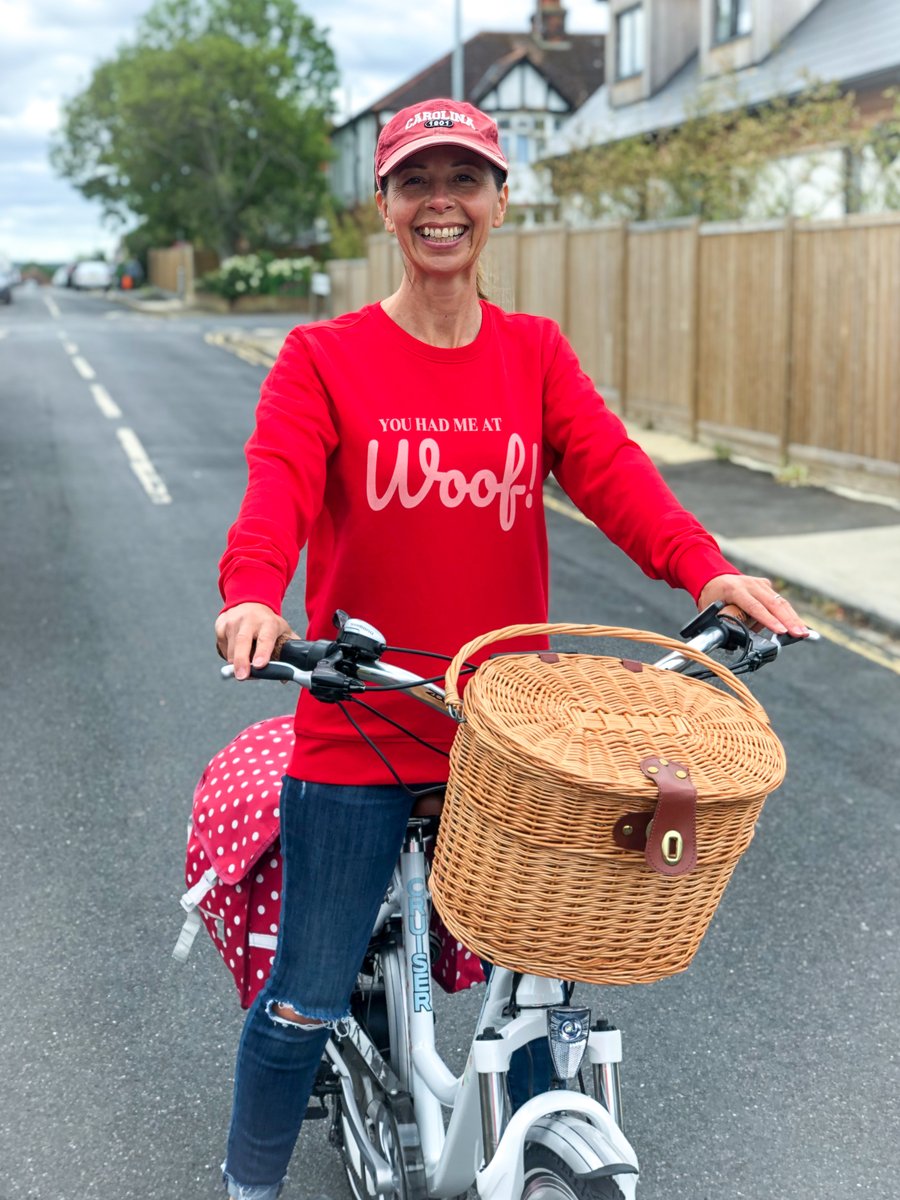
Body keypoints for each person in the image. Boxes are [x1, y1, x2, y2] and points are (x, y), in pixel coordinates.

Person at [214, 98, 807, 1199]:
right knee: (304, 995)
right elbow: (276, 493)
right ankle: (247, 1185)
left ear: (498, 201)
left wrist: (706, 570)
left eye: (465, 181)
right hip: (364, 721)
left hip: (511, 739)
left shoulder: (532, 355)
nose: (442, 203)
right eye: (417, 182)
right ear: (384, 204)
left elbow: (616, 474)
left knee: (533, 997)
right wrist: (253, 596)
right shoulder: (323, 356)